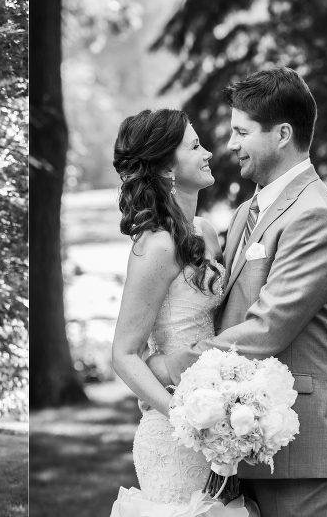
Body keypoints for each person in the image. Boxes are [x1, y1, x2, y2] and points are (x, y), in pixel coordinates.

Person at [147, 68, 327, 517]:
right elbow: (224, 308)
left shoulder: (316, 216)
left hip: (306, 454)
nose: (230, 144)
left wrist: (170, 367)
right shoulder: (248, 210)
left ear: (282, 134)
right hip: (242, 445)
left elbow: (267, 328)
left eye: (242, 132)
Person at [109, 109, 251, 516]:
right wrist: (182, 416)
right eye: (195, 146)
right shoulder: (155, 246)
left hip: (218, 417)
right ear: (168, 169)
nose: (208, 153)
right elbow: (123, 353)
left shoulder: (205, 232)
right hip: (176, 432)